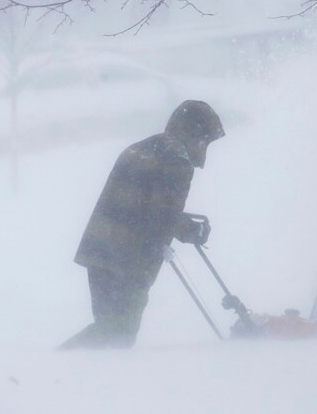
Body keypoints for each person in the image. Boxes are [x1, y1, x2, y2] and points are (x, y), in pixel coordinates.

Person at [59, 100, 225, 349]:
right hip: (129, 259)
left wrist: (180, 224)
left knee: (108, 329)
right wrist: (193, 231)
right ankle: (56, 365)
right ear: (195, 133)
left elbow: (148, 206)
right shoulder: (177, 159)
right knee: (117, 335)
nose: (203, 151)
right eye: (205, 140)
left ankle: (71, 372)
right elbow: (162, 216)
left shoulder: (142, 148)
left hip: (100, 249)